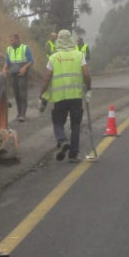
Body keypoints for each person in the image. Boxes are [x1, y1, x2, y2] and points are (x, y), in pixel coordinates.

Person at [38, 29, 92, 162]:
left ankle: (62, 141)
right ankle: (73, 154)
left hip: (59, 97)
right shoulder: (79, 55)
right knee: (75, 125)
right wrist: (88, 90)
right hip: (76, 96)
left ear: (58, 41)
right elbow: (86, 75)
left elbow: (46, 79)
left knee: (58, 122)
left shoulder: (54, 57)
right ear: (71, 40)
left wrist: (42, 95)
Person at [2, 33, 34, 122]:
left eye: (12, 40)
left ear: (17, 40)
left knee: (22, 94)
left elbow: (31, 61)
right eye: (10, 40)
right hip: (13, 74)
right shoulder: (9, 49)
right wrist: (4, 69)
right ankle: (19, 113)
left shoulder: (25, 48)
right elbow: (7, 62)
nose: (11, 42)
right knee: (16, 94)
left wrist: (24, 67)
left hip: (22, 74)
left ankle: (23, 114)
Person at [39, 31, 59, 113]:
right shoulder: (48, 44)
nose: (54, 38)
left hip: (58, 65)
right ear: (50, 37)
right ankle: (43, 104)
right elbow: (46, 54)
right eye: (53, 36)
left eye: (55, 36)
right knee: (48, 85)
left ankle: (56, 104)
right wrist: (51, 59)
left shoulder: (58, 44)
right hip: (50, 64)